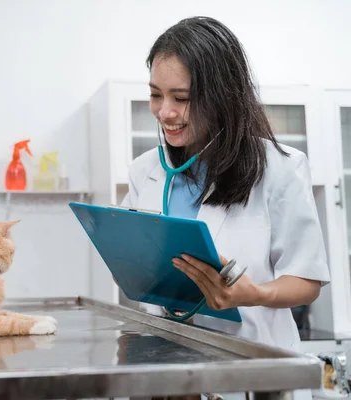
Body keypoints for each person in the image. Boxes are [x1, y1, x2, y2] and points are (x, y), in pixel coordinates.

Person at [121, 16, 330, 400]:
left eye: (181, 98)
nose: (164, 112)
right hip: (167, 376)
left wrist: (252, 295)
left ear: (221, 96)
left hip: (254, 376)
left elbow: (307, 281)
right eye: (155, 94)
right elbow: (135, 264)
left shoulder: (280, 168)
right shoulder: (145, 171)